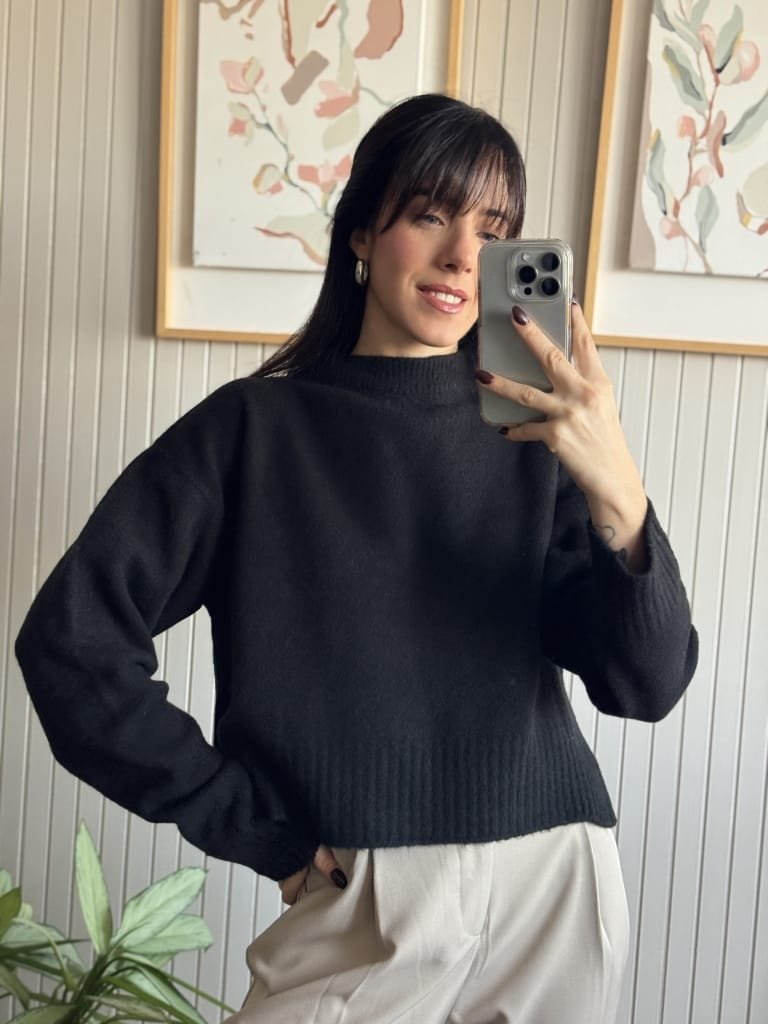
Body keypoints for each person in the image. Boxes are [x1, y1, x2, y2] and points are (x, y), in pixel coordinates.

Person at [15, 94, 698, 1023]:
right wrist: (261, 831)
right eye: (431, 215)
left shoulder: (539, 440)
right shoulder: (251, 433)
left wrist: (617, 484)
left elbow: (645, 685)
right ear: (362, 235)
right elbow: (71, 645)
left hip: (553, 885)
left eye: (493, 231)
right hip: (363, 898)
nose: (463, 256)